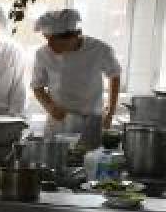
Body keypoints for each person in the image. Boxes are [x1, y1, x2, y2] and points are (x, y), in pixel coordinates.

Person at [30, 9, 122, 149]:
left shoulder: (99, 49)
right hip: (59, 121)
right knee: (56, 157)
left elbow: (114, 75)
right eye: (47, 39)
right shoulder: (42, 54)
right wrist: (50, 106)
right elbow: (37, 86)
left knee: (88, 158)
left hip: (91, 120)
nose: (50, 46)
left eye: (56, 41)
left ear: (75, 36)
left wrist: (110, 112)